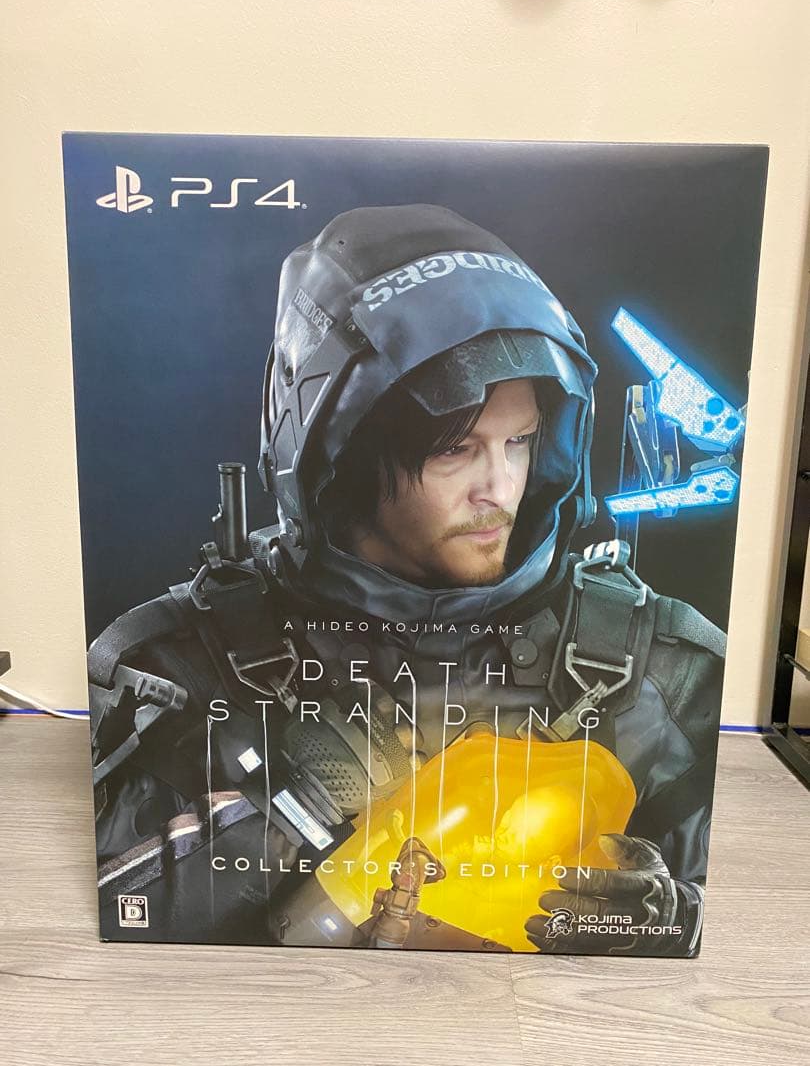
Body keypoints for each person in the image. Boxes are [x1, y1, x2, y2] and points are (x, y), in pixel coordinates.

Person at [89, 205, 723, 954]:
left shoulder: (659, 669)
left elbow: (747, 912)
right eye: (456, 449)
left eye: (520, 441)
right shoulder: (180, 669)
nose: (501, 489)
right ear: (345, 455)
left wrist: (670, 919)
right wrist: (294, 802)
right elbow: (115, 928)